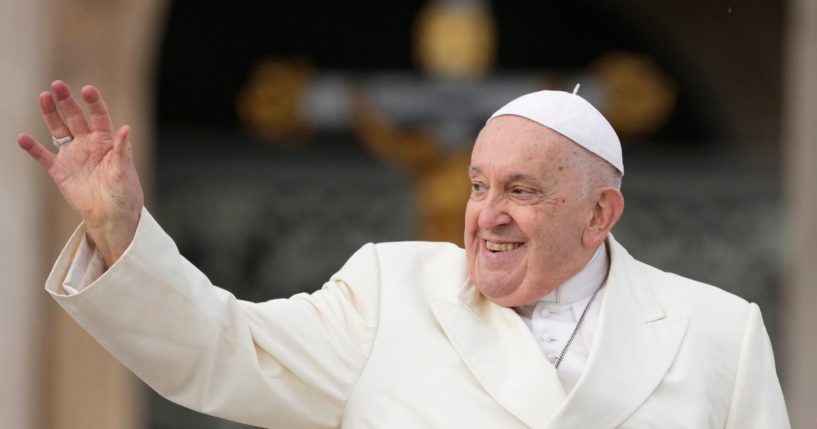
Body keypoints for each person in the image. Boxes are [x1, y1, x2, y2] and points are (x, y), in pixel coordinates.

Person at [18, 81, 790, 428]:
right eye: (478, 184)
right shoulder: (390, 290)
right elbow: (221, 347)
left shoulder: (718, 330)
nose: (486, 214)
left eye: (520, 189)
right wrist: (121, 229)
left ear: (599, 212)